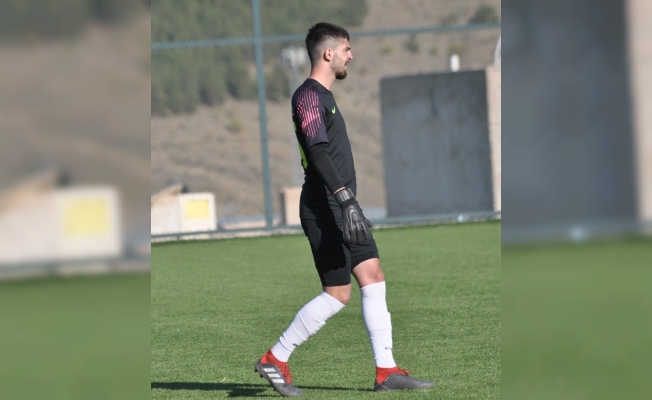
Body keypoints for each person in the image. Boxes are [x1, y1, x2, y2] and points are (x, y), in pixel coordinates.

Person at [255, 22, 435, 397]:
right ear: (328, 53)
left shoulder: (324, 96)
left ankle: (386, 371)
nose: (351, 56)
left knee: (373, 275)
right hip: (325, 206)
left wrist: (348, 201)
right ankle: (275, 357)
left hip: (342, 204)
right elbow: (318, 151)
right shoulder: (308, 95)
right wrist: (344, 198)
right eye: (346, 49)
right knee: (337, 294)